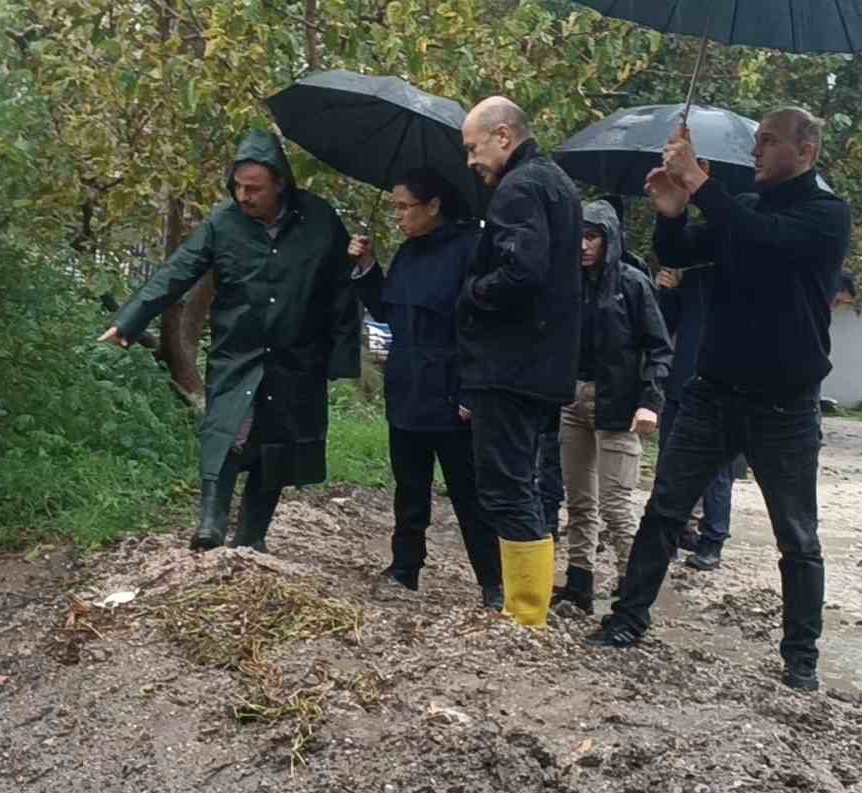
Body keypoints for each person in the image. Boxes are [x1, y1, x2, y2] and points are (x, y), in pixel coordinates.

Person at [587, 107, 853, 695]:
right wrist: (673, 210)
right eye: (756, 140)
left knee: (797, 537)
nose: (756, 151)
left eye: (769, 141)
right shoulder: (748, 206)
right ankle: (627, 619)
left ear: (805, 151)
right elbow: (679, 252)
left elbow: (767, 243)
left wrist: (703, 186)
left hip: (785, 403)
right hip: (713, 392)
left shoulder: (826, 215)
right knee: (664, 509)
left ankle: (800, 658)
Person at [101, 131, 359, 553]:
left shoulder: (319, 220)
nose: (244, 196)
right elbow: (179, 269)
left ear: (280, 183)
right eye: (238, 186)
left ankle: (252, 536)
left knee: (275, 446)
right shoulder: (224, 223)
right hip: (238, 350)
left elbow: (342, 291)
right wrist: (131, 320)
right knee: (226, 432)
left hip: (297, 357)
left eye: (254, 188)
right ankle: (210, 523)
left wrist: (340, 355)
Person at [349, 168, 502, 608]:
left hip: (453, 391)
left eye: (404, 207)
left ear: (433, 206)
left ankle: (492, 581)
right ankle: (405, 566)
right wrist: (366, 267)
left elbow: (482, 328)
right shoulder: (408, 253)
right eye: (394, 207)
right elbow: (388, 310)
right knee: (409, 486)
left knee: (469, 493)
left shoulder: (471, 249)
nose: (398, 216)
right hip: (407, 385)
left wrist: (472, 393)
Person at [459, 97, 583, 620]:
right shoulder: (557, 182)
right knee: (523, 485)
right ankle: (527, 607)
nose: (470, 161)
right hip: (544, 365)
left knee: (506, 488)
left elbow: (522, 271)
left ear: (503, 136)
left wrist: (472, 291)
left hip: (509, 367)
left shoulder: (519, 187)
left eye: (473, 147)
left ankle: (526, 616)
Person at [553, 201, 672, 615]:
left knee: (617, 507)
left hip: (619, 406)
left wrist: (649, 402)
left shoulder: (632, 284)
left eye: (592, 236)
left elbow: (659, 348)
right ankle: (578, 583)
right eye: (579, 236)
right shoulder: (569, 283)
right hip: (573, 399)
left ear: (609, 239)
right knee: (580, 502)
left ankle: (633, 592)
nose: (583, 245)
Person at [654, 264, 736, 571]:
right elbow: (665, 326)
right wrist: (667, 292)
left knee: (718, 468)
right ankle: (674, 534)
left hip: (724, 384)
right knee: (671, 464)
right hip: (682, 384)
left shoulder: (738, 269)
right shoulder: (684, 277)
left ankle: (713, 540)